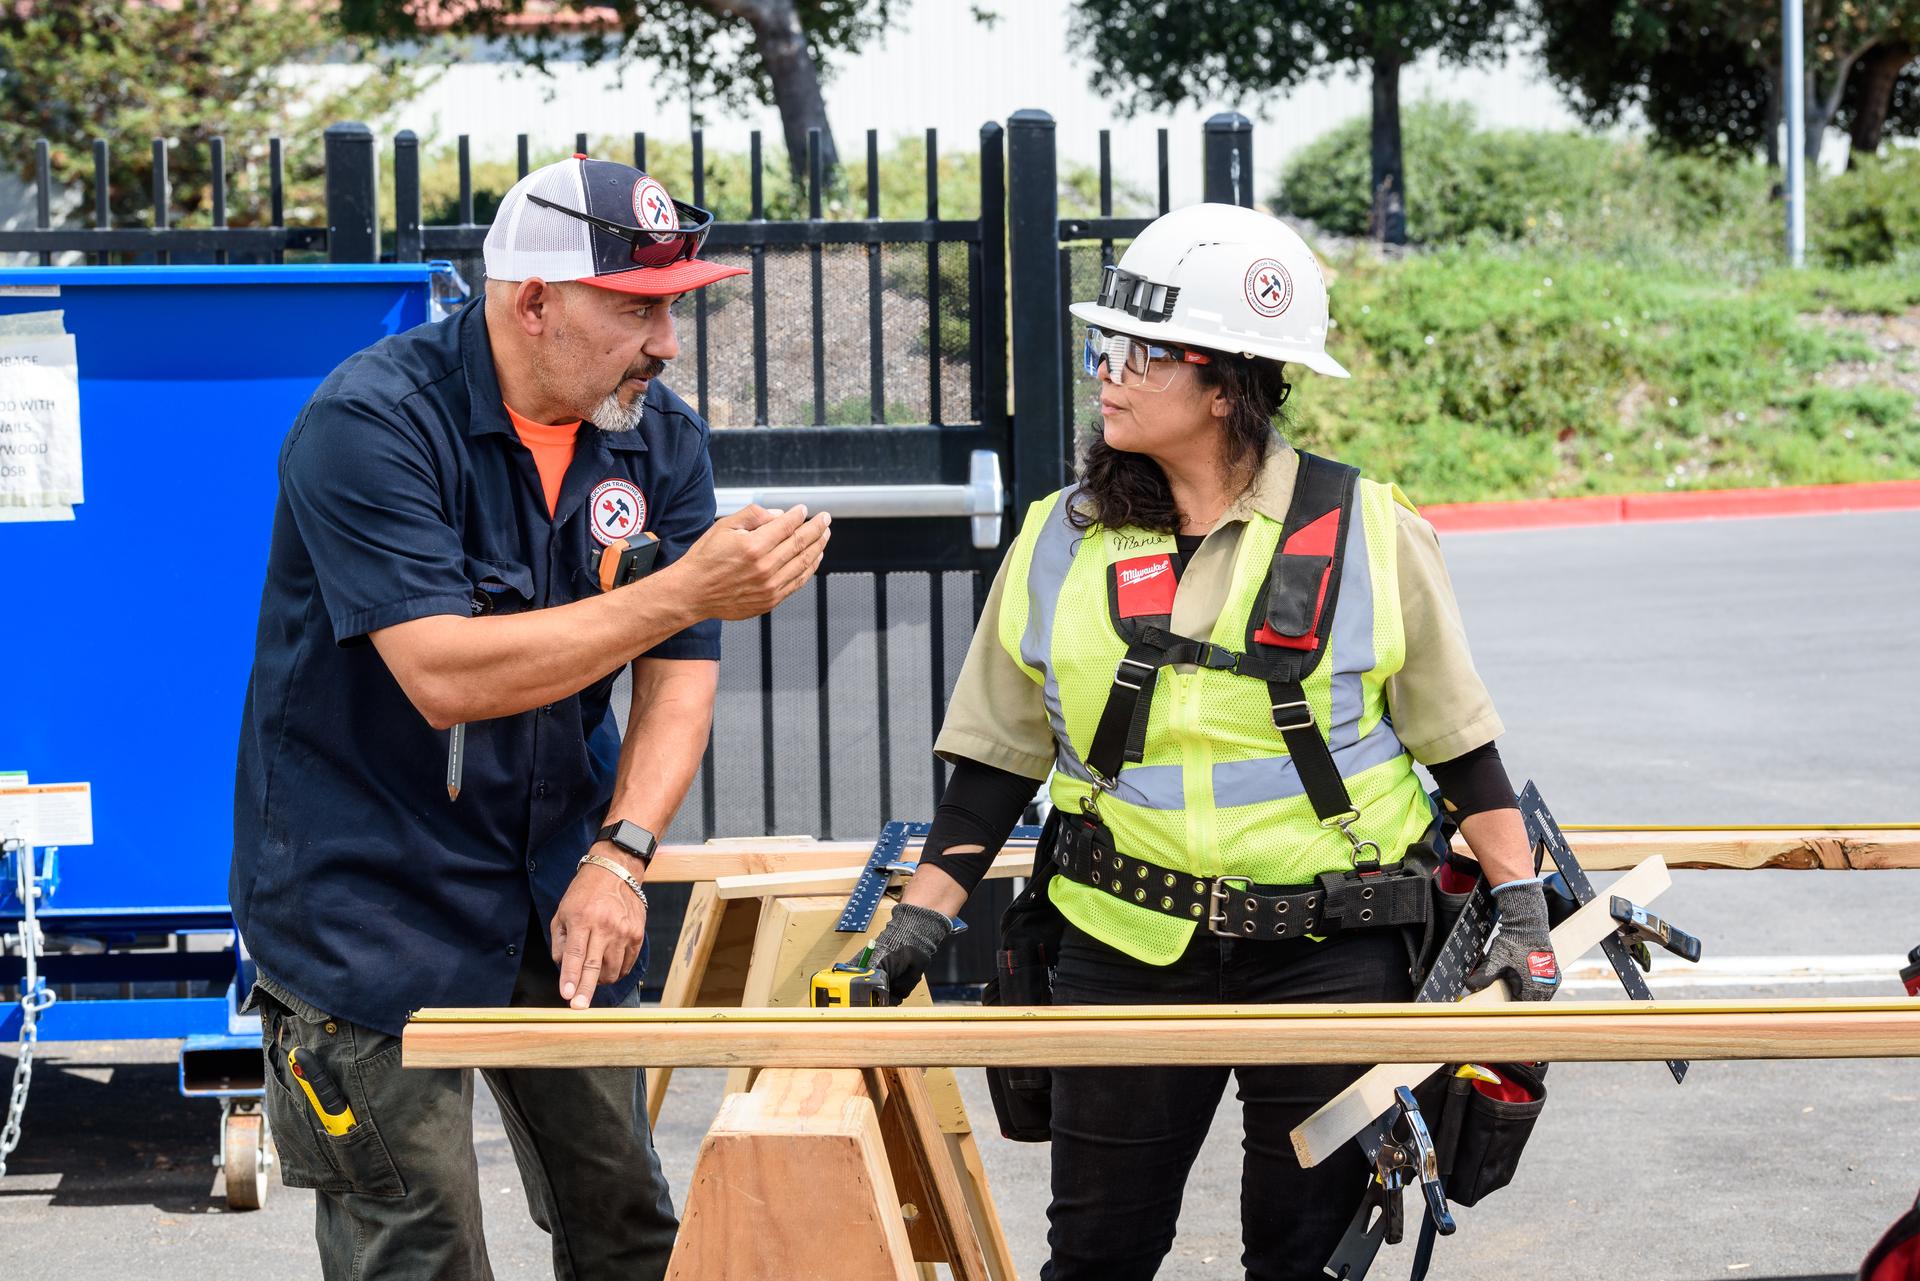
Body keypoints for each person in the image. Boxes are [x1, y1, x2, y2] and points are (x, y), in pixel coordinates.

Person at [860, 203, 1559, 1281]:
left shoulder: (1370, 529)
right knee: (1097, 1256)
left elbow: (1458, 743)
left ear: (1228, 382)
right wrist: (916, 925)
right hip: (1120, 946)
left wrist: (1519, 909)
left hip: (1337, 953)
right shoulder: (1062, 538)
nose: (1110, 372)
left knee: (1305, 1260)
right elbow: (994, 768)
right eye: (1108, 345)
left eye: (1143, 352)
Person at [229, 154, 831, 1281]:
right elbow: (447, 676)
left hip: (562, 879)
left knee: (627, 1223)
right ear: (534, 301)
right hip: (368, 904)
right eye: (636, 309)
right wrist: (685, 588)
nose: (664, 342)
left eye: (673, 308)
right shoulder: (371, 423)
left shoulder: (657, 440)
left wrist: (622, 852)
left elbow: (677, 676)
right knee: (422, 1243)